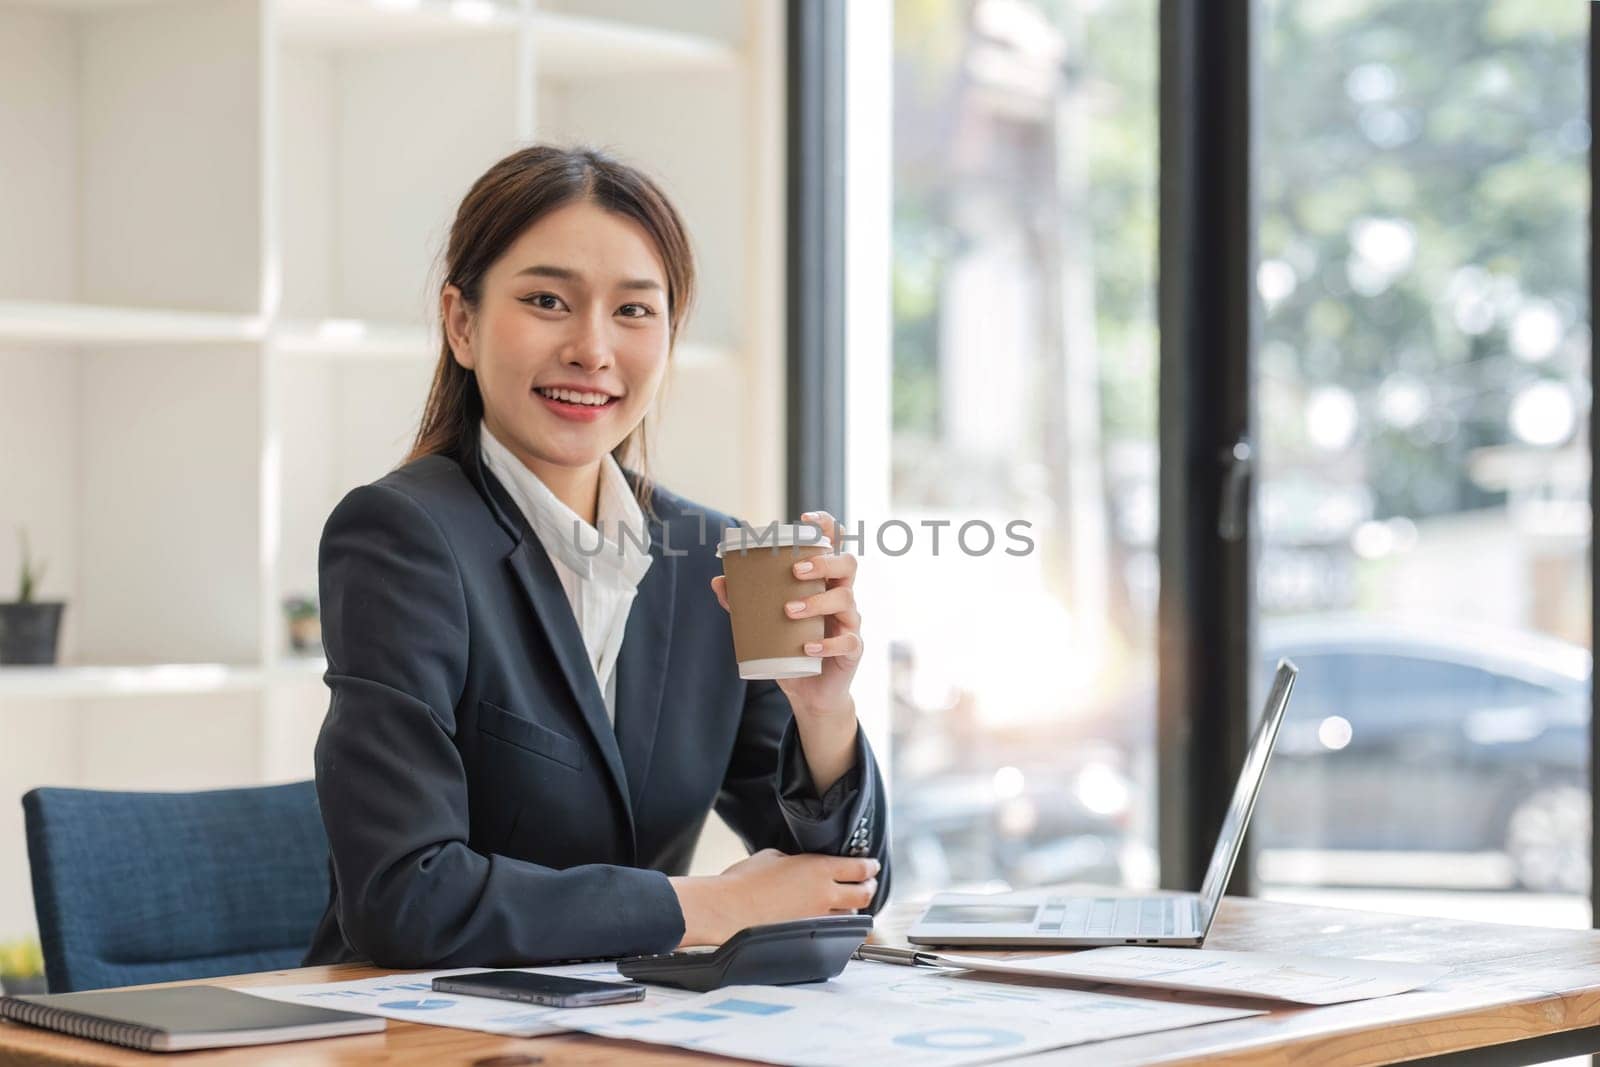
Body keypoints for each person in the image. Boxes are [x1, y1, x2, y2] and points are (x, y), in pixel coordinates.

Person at [302, 145, 890, 968]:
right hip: (424, 1036)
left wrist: (823, 713)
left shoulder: (705, 557)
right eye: (548, 300)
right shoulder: (403, 537)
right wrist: (712, 904)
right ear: (461, 323)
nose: (592, 348)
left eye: (635, 311)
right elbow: (406, 897)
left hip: (629, 1031)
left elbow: (849, 889)